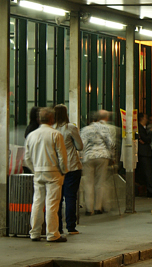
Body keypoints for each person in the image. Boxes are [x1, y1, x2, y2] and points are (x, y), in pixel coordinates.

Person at [24, 107, 69, 243]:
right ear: (52, 119)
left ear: (39, 119)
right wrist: (63, 171)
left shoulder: (32, 135)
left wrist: (35, 169)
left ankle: (35, 232)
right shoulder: (55, 134)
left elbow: (27, 157)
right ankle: (52, 233)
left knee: (37, 202)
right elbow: (62, 156)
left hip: (38, 171)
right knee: (52, 204)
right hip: (54, 172)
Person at [53, 104, 83, 235]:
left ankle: (58, 226)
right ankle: (71, 226)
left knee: (57, 198)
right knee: (70, 197)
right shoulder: (71, 128)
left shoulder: (51, 129)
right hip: (72, 166)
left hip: (56, 168)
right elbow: (80, 146)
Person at [80, 110, 114, 216]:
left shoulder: (85, 129)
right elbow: (110, 143)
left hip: (88, 156)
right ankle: (98, 207)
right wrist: (112, 155)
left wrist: (81, 157)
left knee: (88, 183)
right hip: (102, 156)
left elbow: (81, 145)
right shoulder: (105, 128)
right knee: (100, 182)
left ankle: (89, 209)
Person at [137, 113, 152, 197]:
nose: (147, 119)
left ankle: (149, 189)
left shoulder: (142, 128)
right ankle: (151, 190)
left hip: (144, 152)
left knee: (146, 172)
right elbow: (146, 139)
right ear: (142, 118)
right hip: (144, 153)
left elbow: (144, 140)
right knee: (148, 172)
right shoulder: (140, 128)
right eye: (146, 117)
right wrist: (151, 132)